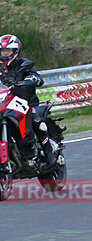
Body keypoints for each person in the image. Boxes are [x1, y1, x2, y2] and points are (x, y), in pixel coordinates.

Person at [0, 34, 56, 167]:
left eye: (8, 50)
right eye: (2, 51)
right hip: (7, 102)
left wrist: (28, 80)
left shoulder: (24, 64)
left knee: (36, 120)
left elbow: (37, 78)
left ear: (16, 51)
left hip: (27, 102)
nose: (5, 53)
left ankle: (49, 152)